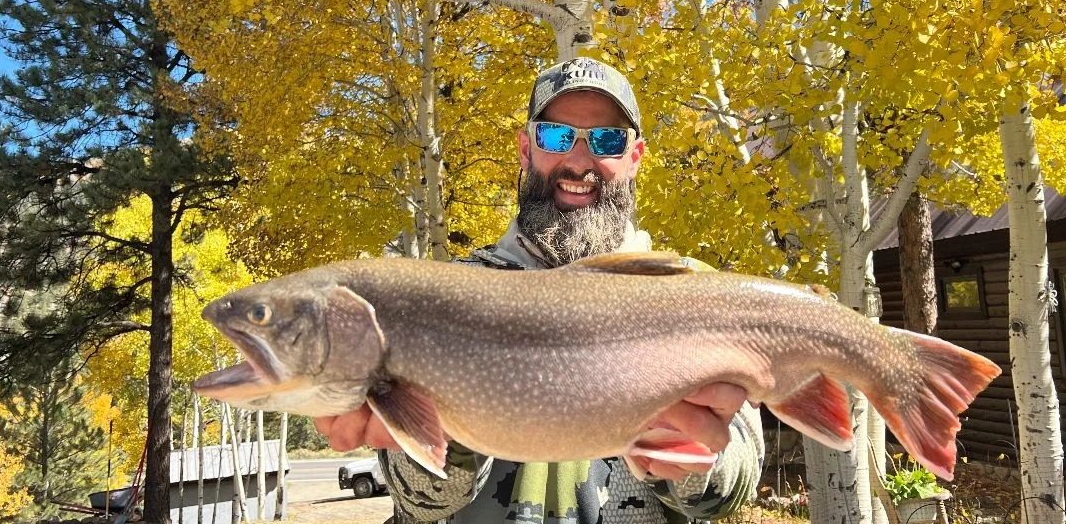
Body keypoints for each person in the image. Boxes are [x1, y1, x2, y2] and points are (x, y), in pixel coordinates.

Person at [315, 57, 765, 523]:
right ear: (526, 149)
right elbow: (420, 504)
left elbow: (729, 494)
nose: (577, 162)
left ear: (634, 158)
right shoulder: (445, 298)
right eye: (556, 136)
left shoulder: (695, 293)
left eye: (607, 140)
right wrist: (442, 424)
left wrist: (693, 460)